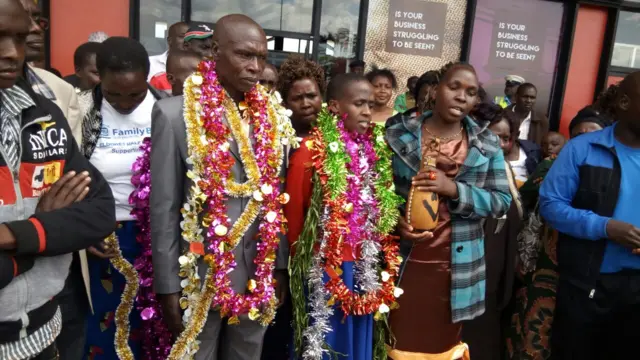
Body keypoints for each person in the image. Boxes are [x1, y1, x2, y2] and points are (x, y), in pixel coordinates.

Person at [150, 14, 290, 360]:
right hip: (198, 275)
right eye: (245, 55)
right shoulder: (173, 115)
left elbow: (275, 197)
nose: (256, 67)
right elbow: (164, 208)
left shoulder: (274, 117)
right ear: (214, 51)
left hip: (257, 273)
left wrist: (278, 267)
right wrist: (167, 286)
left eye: (262, 57)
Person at [0, 1, 116, 358]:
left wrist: (19, 235)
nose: (11, 53)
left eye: (19, 38)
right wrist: (42, 237)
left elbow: (100, 210)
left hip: (43, 333)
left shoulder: (43, 113)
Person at [386, 63, 512, 359]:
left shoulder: (486, 144)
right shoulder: (398, 132)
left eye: (470, 93)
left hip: (455, 267)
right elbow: (377, 190)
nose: (461, 97)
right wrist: (394, 220)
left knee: (440, 347)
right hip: (404, 260)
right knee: (395, 341)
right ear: (436, 88)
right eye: (454, 87)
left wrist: (454, 190)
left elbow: (501, 201)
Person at [287, 72, 403, 360]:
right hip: (326, 270)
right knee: (327, 344)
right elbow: (294, 219)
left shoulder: (374, 151)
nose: (367, 112)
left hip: (364, 267)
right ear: (336, 107)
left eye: (370, 106)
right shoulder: (311, 152)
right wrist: (307, 268)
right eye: (360, 104)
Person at [540, 71, 640, 360]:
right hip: (586, 285)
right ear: (623, 102)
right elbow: (551, 206)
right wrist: (606, 227)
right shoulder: (583, 149)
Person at [506, 106, 609, 360]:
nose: (585, 140)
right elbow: (524, 199)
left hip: (592, 268)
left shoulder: (614, 173)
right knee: (535, 327)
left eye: (592, 134)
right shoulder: (552, 165)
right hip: (546, 260)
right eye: (578, 135)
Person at [81, 37, 159, 360]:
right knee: (103, 328)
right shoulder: (80, 112)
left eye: (135, 94)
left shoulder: (165, 109)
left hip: (153, 237)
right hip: (100, 239)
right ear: (98, 77)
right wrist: (82, 230)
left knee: (152, 325)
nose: (125, 103)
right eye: (115, 94)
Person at [462, 103, 523, 360]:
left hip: (495, 268)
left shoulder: (505, 171)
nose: (497, 143)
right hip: (466, 263)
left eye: (505, 138)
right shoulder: (461, 165)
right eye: (492, 135)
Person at [149, 23, 213, 94]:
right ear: (186, 46)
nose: (211, 54)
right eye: (204, 48)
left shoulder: (218, 75)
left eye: (213, 49)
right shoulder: (158, 78)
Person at [488, 106, 541, 187]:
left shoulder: (533, 151)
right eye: (496, 137)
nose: (501, 144)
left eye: (506, 138)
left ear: (517, 134)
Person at [276, 55, 325, 140]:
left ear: (321, 97)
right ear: (284, 104)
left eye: (311, 96)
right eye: (297, 98)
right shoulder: (275, 140)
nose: (305, 104)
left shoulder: (337, 137)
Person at [508, 83, 549, 147]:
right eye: (525, 97)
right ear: (516, 97)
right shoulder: (502, 115)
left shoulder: (542, 121)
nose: (529, 100)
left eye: (532, 98)